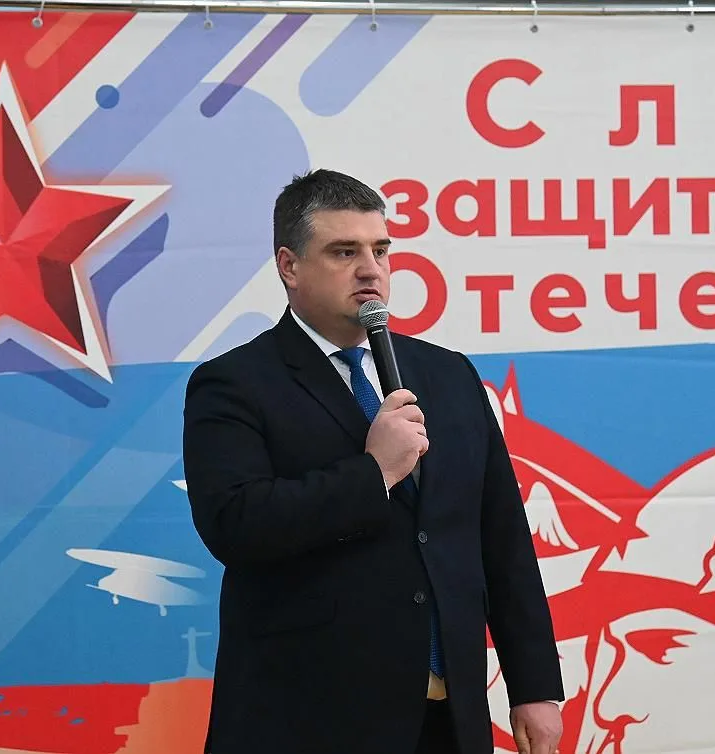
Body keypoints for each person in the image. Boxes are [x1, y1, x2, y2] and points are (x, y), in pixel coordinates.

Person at [182, 169, 564, 754]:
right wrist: (374, 473)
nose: (371, 270)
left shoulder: (448, 374)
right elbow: (235, 524)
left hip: (449, 718)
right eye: (344, 252)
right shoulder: (233, 383)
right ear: (289, 266)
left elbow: (501, 537)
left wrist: (533, 685)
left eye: (380, 250)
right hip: (308, 721)